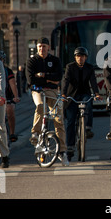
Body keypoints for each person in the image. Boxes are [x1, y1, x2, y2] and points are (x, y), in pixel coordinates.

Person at [26, 37, 69, 166]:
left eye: (44, 46)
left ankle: (62, 152)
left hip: (52, 91)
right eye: (39, 46)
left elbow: (58, 77)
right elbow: (30, 80)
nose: (41, 49)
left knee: (58, 119)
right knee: (40, 106)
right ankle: (36, 132)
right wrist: (50, 79)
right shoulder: (31, 61)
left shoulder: (55, 60)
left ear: (48, 47)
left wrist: (43, 76)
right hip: (37, 91)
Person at [62, 46, 101, 161]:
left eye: (82, 56)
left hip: (84, 93)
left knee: (88, 104)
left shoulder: (89, 68)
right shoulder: (70, 67)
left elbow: (93, 81)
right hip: (71, 96)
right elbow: (66, 80)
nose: (80, 58)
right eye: (78, 56)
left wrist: (97, 93)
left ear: (86, 58)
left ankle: (88, 128)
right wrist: (64, 94)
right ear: (75, 57)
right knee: (70, 121)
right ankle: (70, 147)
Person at [0, 51, 20, 143]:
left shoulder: (8, 71)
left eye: (1, 60)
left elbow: (13, 84)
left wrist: (16, 96)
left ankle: (12, 133)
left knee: (10, 111)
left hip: (7, 96)